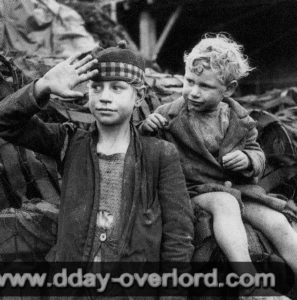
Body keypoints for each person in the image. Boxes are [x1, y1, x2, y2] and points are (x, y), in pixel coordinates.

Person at [0, 42, 194, 297]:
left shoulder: (159, 154)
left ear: (139, 96)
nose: (104, 96)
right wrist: (42, 86)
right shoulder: (69, 142)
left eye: (117, 88)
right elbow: (6, 123)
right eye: (96, 87)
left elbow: (178, 234)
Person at [140, 33, 297, 297]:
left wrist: (248, 159)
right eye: (189, 81)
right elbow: (146, 152)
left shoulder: (240, 120)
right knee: (225, 205)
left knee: (278, 221)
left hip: (239, 189)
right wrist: (146, 129)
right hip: (194, 190)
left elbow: (257, 154)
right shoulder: (169, 115)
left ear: (229, 89)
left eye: (205, 86)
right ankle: (251, 284)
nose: (194, 91)